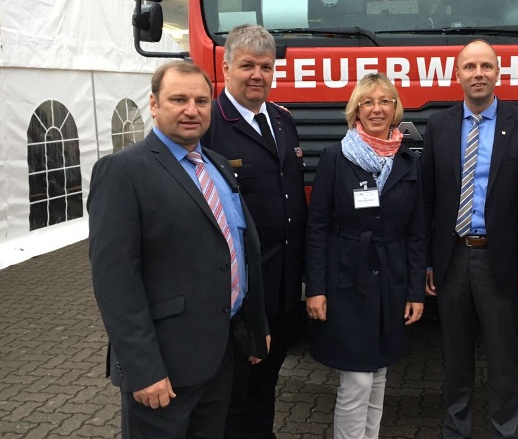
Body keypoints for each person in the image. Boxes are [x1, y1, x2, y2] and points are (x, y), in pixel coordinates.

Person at [88, 60, 270, 438]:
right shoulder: (122, 171)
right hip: (163, 368)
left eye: (201, 101)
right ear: (153, 104)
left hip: (219, 356)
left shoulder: (218, 165)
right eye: (178, 99)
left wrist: (256, 327)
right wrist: (144, 370)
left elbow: (239, 250)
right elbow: (115, 281)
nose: (192, 110)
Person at [422, 40, 518, 438]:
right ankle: (455, 428)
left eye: (486, 66)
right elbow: (428, 200)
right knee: (455, 355)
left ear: (498, 73)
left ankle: (502, 430)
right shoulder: (439, 125)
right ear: (457, 74)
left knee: (502, 356)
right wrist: (427, 260)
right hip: (452, 259)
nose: (478, 73)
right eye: (469, 67)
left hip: (501, 260)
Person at [200, 24, 308, 439]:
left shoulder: (282, 120)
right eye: (247, 65)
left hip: (279, 284)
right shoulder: (210, 125)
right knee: (235, 391)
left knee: (268, 378)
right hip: (237, 289)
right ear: (226, 67)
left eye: (266, 66)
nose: (257, 75)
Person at [305, 73, 426, 439]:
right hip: (346, 277)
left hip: (392, 277)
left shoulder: (409, 161)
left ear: (395, 109)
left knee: (379, 374)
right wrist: (316, 288)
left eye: (385, 101)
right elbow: (317, 227)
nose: (377, 109)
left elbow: (417, 233)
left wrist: (415, 291)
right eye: (368, 101)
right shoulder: (334, 157)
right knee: (357, 379)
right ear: (356, 109)